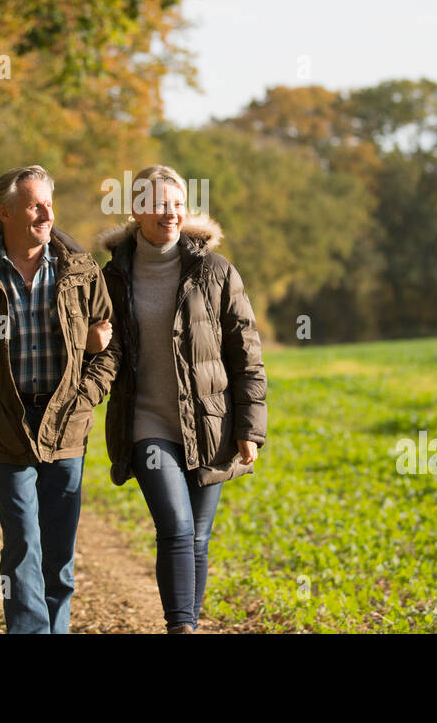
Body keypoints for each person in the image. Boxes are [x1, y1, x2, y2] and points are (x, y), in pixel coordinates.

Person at [0, 164, 119, 633]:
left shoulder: (81, 269)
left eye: (49, 202)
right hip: (5, 426)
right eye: (35, 204)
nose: (46, 212)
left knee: (58, 552)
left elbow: (112, 347)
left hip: (67, 422)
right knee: (22, 544)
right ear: (5, 212)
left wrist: (84, 397)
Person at [96, 164, 267, 633]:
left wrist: (250, 430)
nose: (169, 214)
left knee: (198, 537)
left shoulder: (215, 271)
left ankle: (187, 623)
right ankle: (182, 627)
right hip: (147, 424)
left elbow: (246, 354)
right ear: (136, 210)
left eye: (176, 205)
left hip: (211, 424)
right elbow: (98, 347)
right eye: (157, 205)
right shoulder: (114, 277)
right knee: (175, 528)